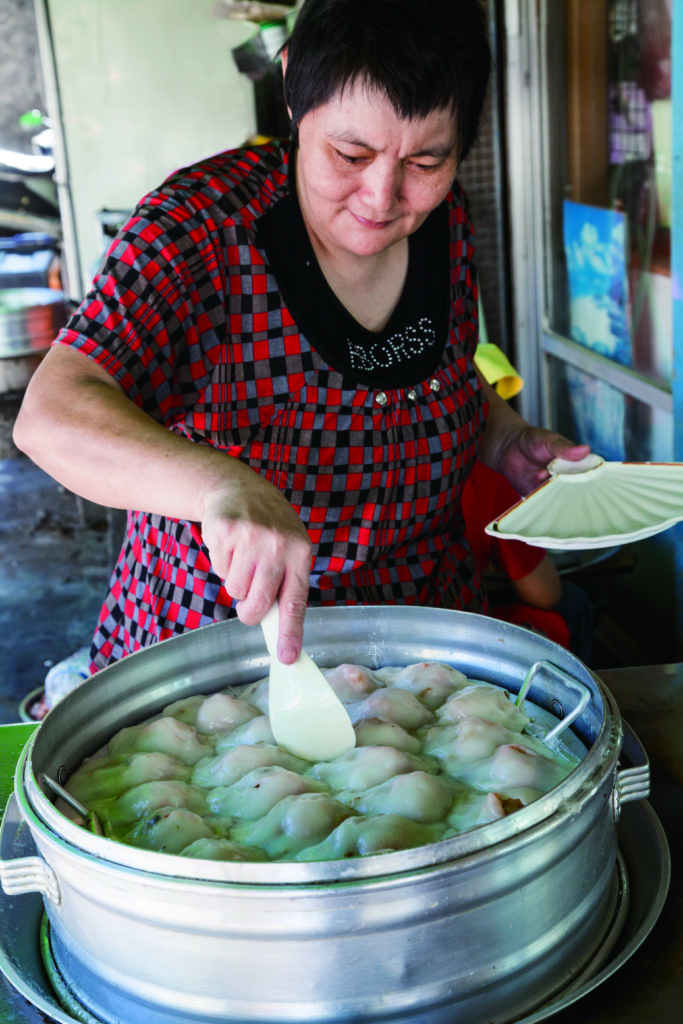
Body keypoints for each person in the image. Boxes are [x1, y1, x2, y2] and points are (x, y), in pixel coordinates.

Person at [13, 0, 589, 674]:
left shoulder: (443, 221)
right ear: (291, 89)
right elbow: (49, 417)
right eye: (351, 153)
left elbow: (438, 377)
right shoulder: (198, 228)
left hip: (416, 648)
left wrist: (503, 439)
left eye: (427, 161)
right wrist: (219, 488)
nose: (382, 197)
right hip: (226, 657)